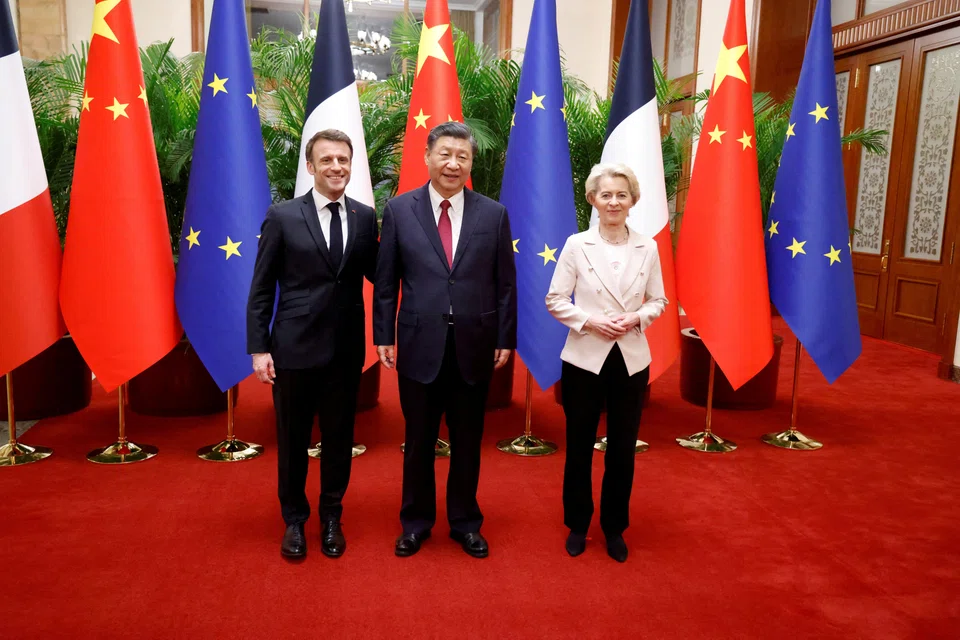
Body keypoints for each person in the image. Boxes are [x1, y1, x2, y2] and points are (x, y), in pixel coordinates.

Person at [374, 122, 517, 559]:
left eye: (463, 156)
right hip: (418, 345)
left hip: (475, 345)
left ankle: (465, 522)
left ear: (471, 162)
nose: (454, 163)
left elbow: (505, 284)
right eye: (446, 154)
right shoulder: (399, 210)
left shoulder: (492, 214)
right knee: (418, 441)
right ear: (428, 156)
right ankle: (415, 523)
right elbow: (385, 282)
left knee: (469, 441)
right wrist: (383, 335)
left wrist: (504, 337)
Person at [247, 129, 379, 559]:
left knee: (339, 439)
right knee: (293, 439)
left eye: (343, 159)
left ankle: (332, 517)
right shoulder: (283, 215)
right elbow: (262, 287)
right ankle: (294, 521)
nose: (336, 167)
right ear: (310, 166)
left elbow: (381, 274)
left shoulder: (363, 216)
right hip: (294, 349)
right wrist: (259, 348)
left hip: (344, 352)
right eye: (327, 160)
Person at [545, 163, 668, 563]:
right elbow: (555, 299)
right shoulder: (577, 244)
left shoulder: (647, 246)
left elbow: (658, 301)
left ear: (633, 200)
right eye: (606, 195)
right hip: (584, 357)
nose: (613, 201)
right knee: (579, 445)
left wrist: (637, 318)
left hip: (630, 359)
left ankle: (615, 527)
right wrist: (589, 321)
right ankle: (578, 524)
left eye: (621, 194)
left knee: (622, 448)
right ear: (592, 200)